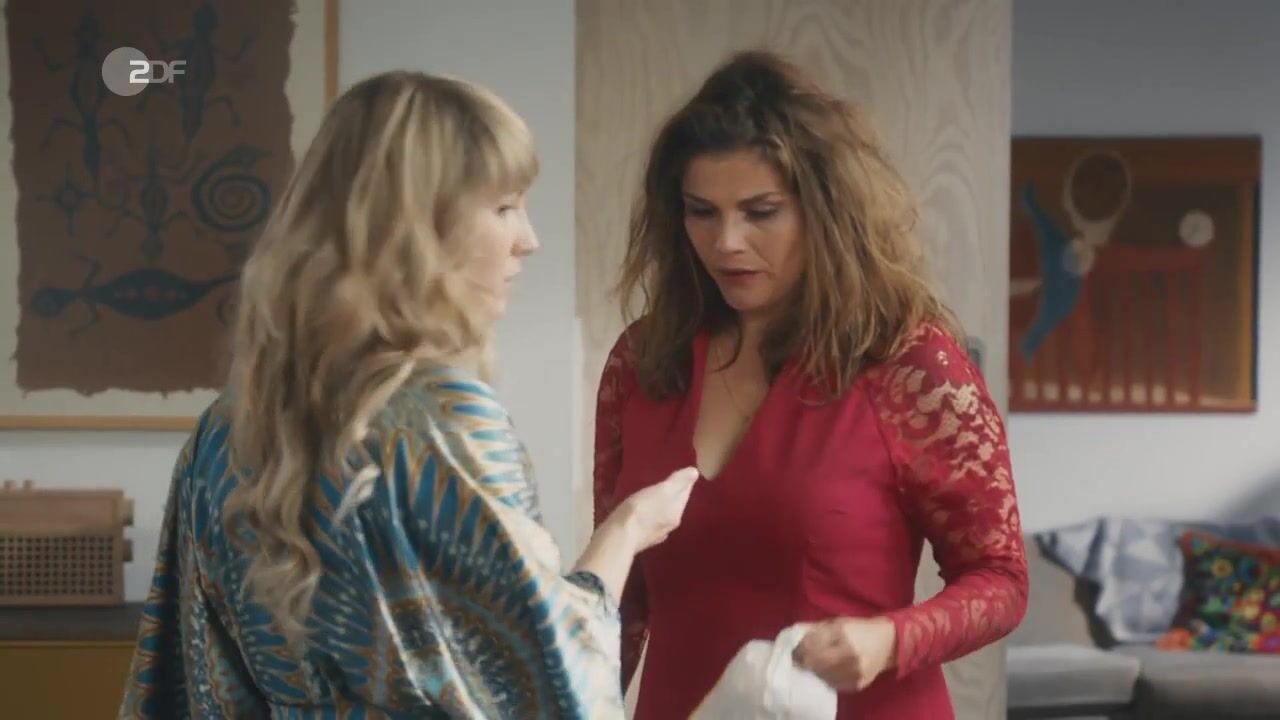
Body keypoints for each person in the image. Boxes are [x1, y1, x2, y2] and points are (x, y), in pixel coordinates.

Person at [117, 70, 701, 720]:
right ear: (420, 228)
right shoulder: (445, 424)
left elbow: (186, 682)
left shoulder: (227, 427)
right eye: (504, 207)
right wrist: (626, 532)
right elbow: (552, 690)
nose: (527, 240)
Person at [592, 50, 1029, 719]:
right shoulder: (642, 361)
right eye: (701, 211)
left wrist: (892, 639)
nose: (726, 241)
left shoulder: (910, 365)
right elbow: (622, 601)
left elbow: (1001, 579)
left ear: (824, 211)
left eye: (760, 212)